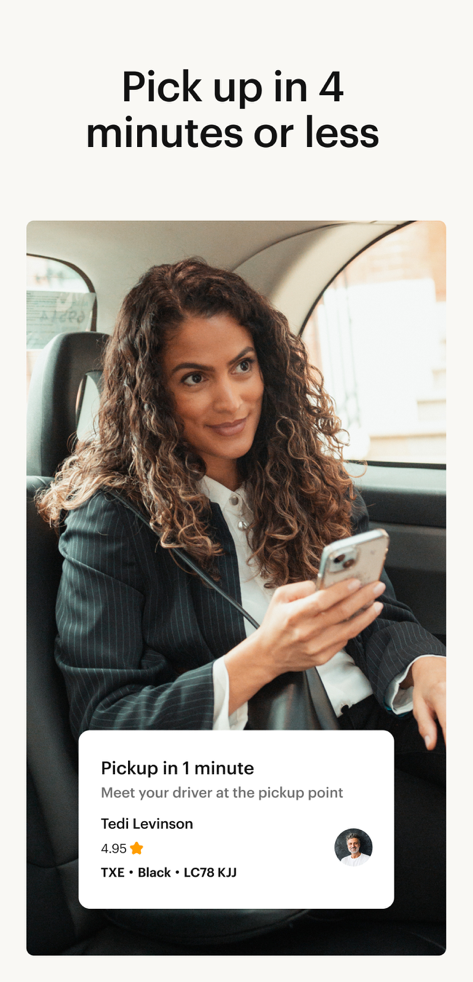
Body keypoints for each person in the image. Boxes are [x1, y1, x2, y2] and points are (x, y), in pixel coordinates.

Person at [37, 258, 445, 920]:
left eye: (242, 365)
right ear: (153, 393)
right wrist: (263, 660)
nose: (230, 400)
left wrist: (427, 666)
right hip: (255, 772)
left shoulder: (305, 475)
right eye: (193, 378)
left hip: (368, 715)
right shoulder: (111, 516)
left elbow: (377, 617)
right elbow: (105, 729)